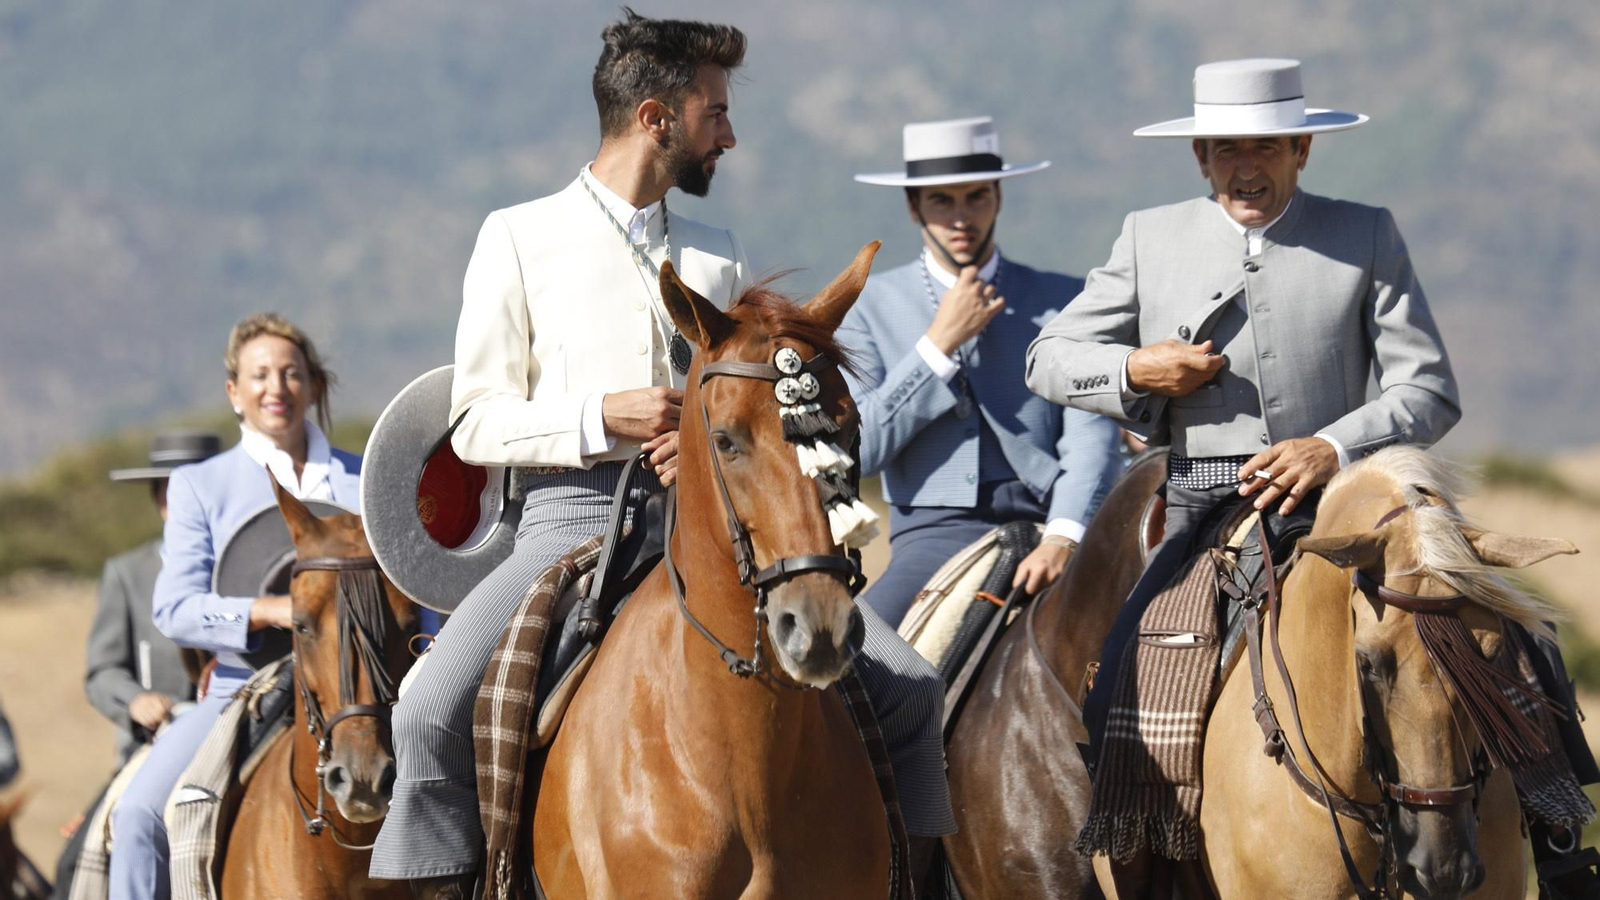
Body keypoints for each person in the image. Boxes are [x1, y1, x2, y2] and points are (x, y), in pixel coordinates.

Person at [372, 11, 954, 894]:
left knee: (911, 686)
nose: (729, 136)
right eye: (714, 113)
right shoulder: (518, 237)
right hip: (562, 527)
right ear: (655, 118)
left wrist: (710, 456)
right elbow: (478, 423)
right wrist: (599, 415)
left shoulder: (721, 253)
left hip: (718, 523)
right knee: (424, 711)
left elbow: (752, 409)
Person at [1026, 58, 1596, 893]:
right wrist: (1136, 370)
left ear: (1302, 150)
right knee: (1124, 667)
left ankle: (1559, 840)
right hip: (1207, 504)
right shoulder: (1147, 237)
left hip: (1354, 501)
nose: (1245, 166)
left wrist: (1330, 445)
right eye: (1226, 149)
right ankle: (1147, 865)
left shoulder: (1367, 234)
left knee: (1515, 639)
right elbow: (1048, 358)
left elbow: (1429, 389)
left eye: (1265, 147)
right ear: (1200, 156)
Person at [108, 314, 361, 900]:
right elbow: (175, 609)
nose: (277, 388)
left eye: (291, 373)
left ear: (313, 386)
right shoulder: (199, 485)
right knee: (138, 817)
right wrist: (268, 611)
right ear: (234, 393)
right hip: (242, 687)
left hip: (360, 685)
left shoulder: (363, 479)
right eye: (260, 375)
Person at [843, 117, 1123, 628]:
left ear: (998, 198)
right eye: (941, 201)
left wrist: (1064, 535)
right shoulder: (866, 308)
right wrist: (936, 347)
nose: (961, 218)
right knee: (858, 652)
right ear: (913, 207)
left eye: (976, 197)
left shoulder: (1067, 299)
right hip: (930, 536)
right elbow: (861, 451)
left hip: (1051, 518)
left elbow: (1092, 437)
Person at [91, 432, 221, 763]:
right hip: (154, 743)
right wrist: (136, 700)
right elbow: (103, 670)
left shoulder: (247, 567)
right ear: (158, 498)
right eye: (176, 491)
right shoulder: (128, 574)